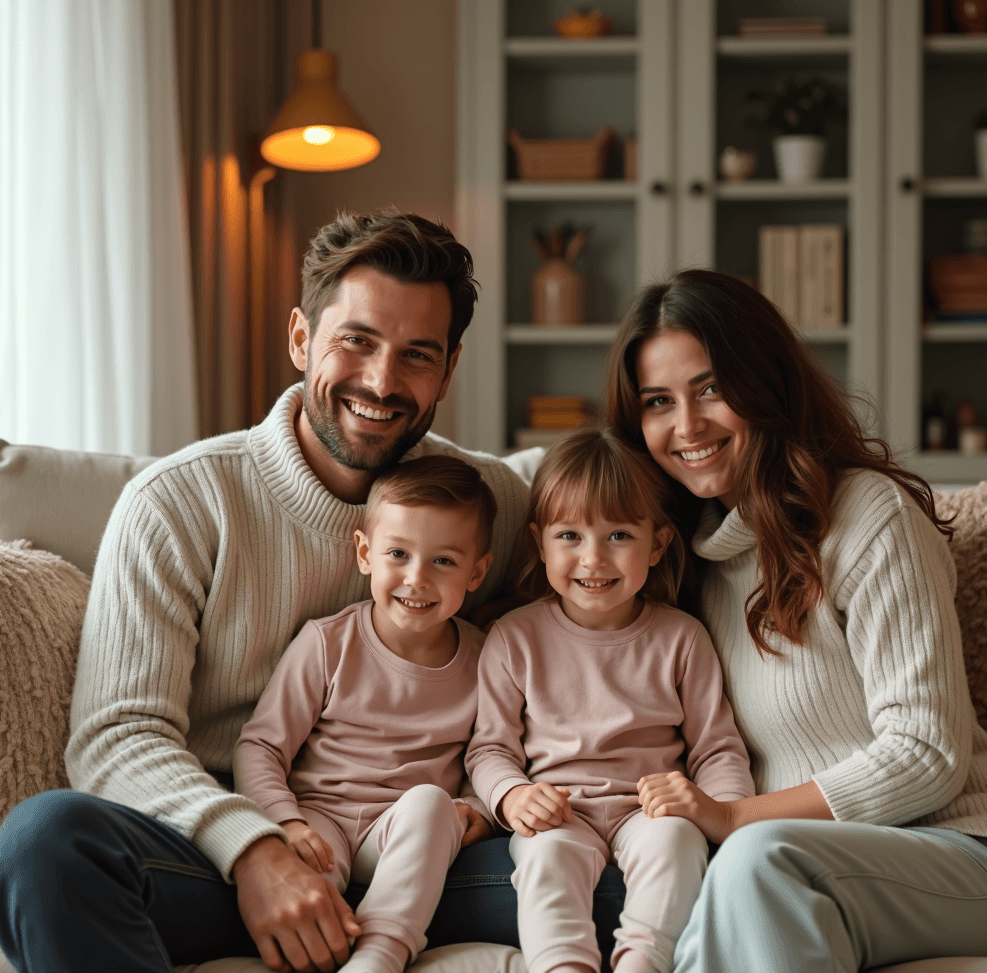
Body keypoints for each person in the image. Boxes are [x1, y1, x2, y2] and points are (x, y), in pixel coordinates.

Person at [0, 212, 530, 973]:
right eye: (356, 340)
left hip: (419, 856)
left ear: (447, 371)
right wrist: (255, 850)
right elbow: (115, 735)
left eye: (416, 354)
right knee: (46, 838)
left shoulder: (493, 504)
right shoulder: (180, 502)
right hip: (217, 860)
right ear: (298, 338)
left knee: (614, 878)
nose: (382, 381)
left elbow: (594, 587)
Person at [603, 267, 987, 972]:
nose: (686, 426)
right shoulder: (684, 560)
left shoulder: (867, 517)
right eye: (656, 401)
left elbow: (927, 752)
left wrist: (734, 818)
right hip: (795, 869)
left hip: (970, 856)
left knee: (756, 861)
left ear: (766, 383)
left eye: (710, 387)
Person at [466, 426, 754, 973]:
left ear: (658, 543)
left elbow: (717, 748)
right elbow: (488, 749)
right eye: (569, 536)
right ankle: (563, 966)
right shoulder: (512, 637)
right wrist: (512, 797)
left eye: (618, 535)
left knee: (675, 844)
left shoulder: (682, 638)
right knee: (546, 858)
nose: (593, 559)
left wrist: (719, 814)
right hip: (557, 808)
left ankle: (644, 962)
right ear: (539, 542)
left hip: (647, 808)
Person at [234, 455, 498, 973]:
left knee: (430, 802)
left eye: (443, 561)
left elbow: (497, 752)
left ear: (478, 572)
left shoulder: (489, 659)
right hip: (319, 818)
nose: (416, 578)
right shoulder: (327, 643)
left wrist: (477, 810)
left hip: (404, 832)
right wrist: (284, 822)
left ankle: (380, 953)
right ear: (364, 553)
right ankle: (317, 942)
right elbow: (261, 746)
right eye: (397, 553)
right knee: (306, 863)